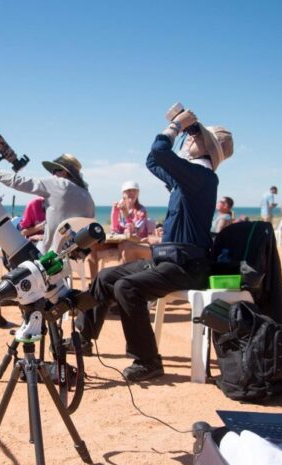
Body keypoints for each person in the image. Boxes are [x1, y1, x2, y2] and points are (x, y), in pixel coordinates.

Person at [77, 105, 234, 381]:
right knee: (104, 277)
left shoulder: (202, 178)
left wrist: (174, 127)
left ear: (207, 150)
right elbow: (153, 161)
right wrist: (181, 127)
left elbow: (161, 153)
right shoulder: (189, 178)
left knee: (127, 287)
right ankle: (83, 339)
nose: (190, 140)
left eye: (195, 138)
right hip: (169, 261)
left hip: (188, 267)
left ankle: (148, 361)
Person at [0, 153, 95, 252]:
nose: (53, 174)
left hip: (50, 257)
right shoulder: (87, 195)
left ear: (65, 172)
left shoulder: (60, 183)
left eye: (55, 170)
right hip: (74, 253)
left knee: (13, 248)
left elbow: (17, 181)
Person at [87, 181, 151, 279]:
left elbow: (135, 232)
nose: (132, 193)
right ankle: (94, 283)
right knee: (93, 245)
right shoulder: (119, 207)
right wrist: (115, 212)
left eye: (135, 191)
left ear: (138, 193)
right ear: (123, 194)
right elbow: (115, 229)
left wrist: (126, 215)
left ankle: (120, 280)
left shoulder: (141, 211)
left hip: (133, 242)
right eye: (128, 191)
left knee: (124, 246)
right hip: (117, 241)